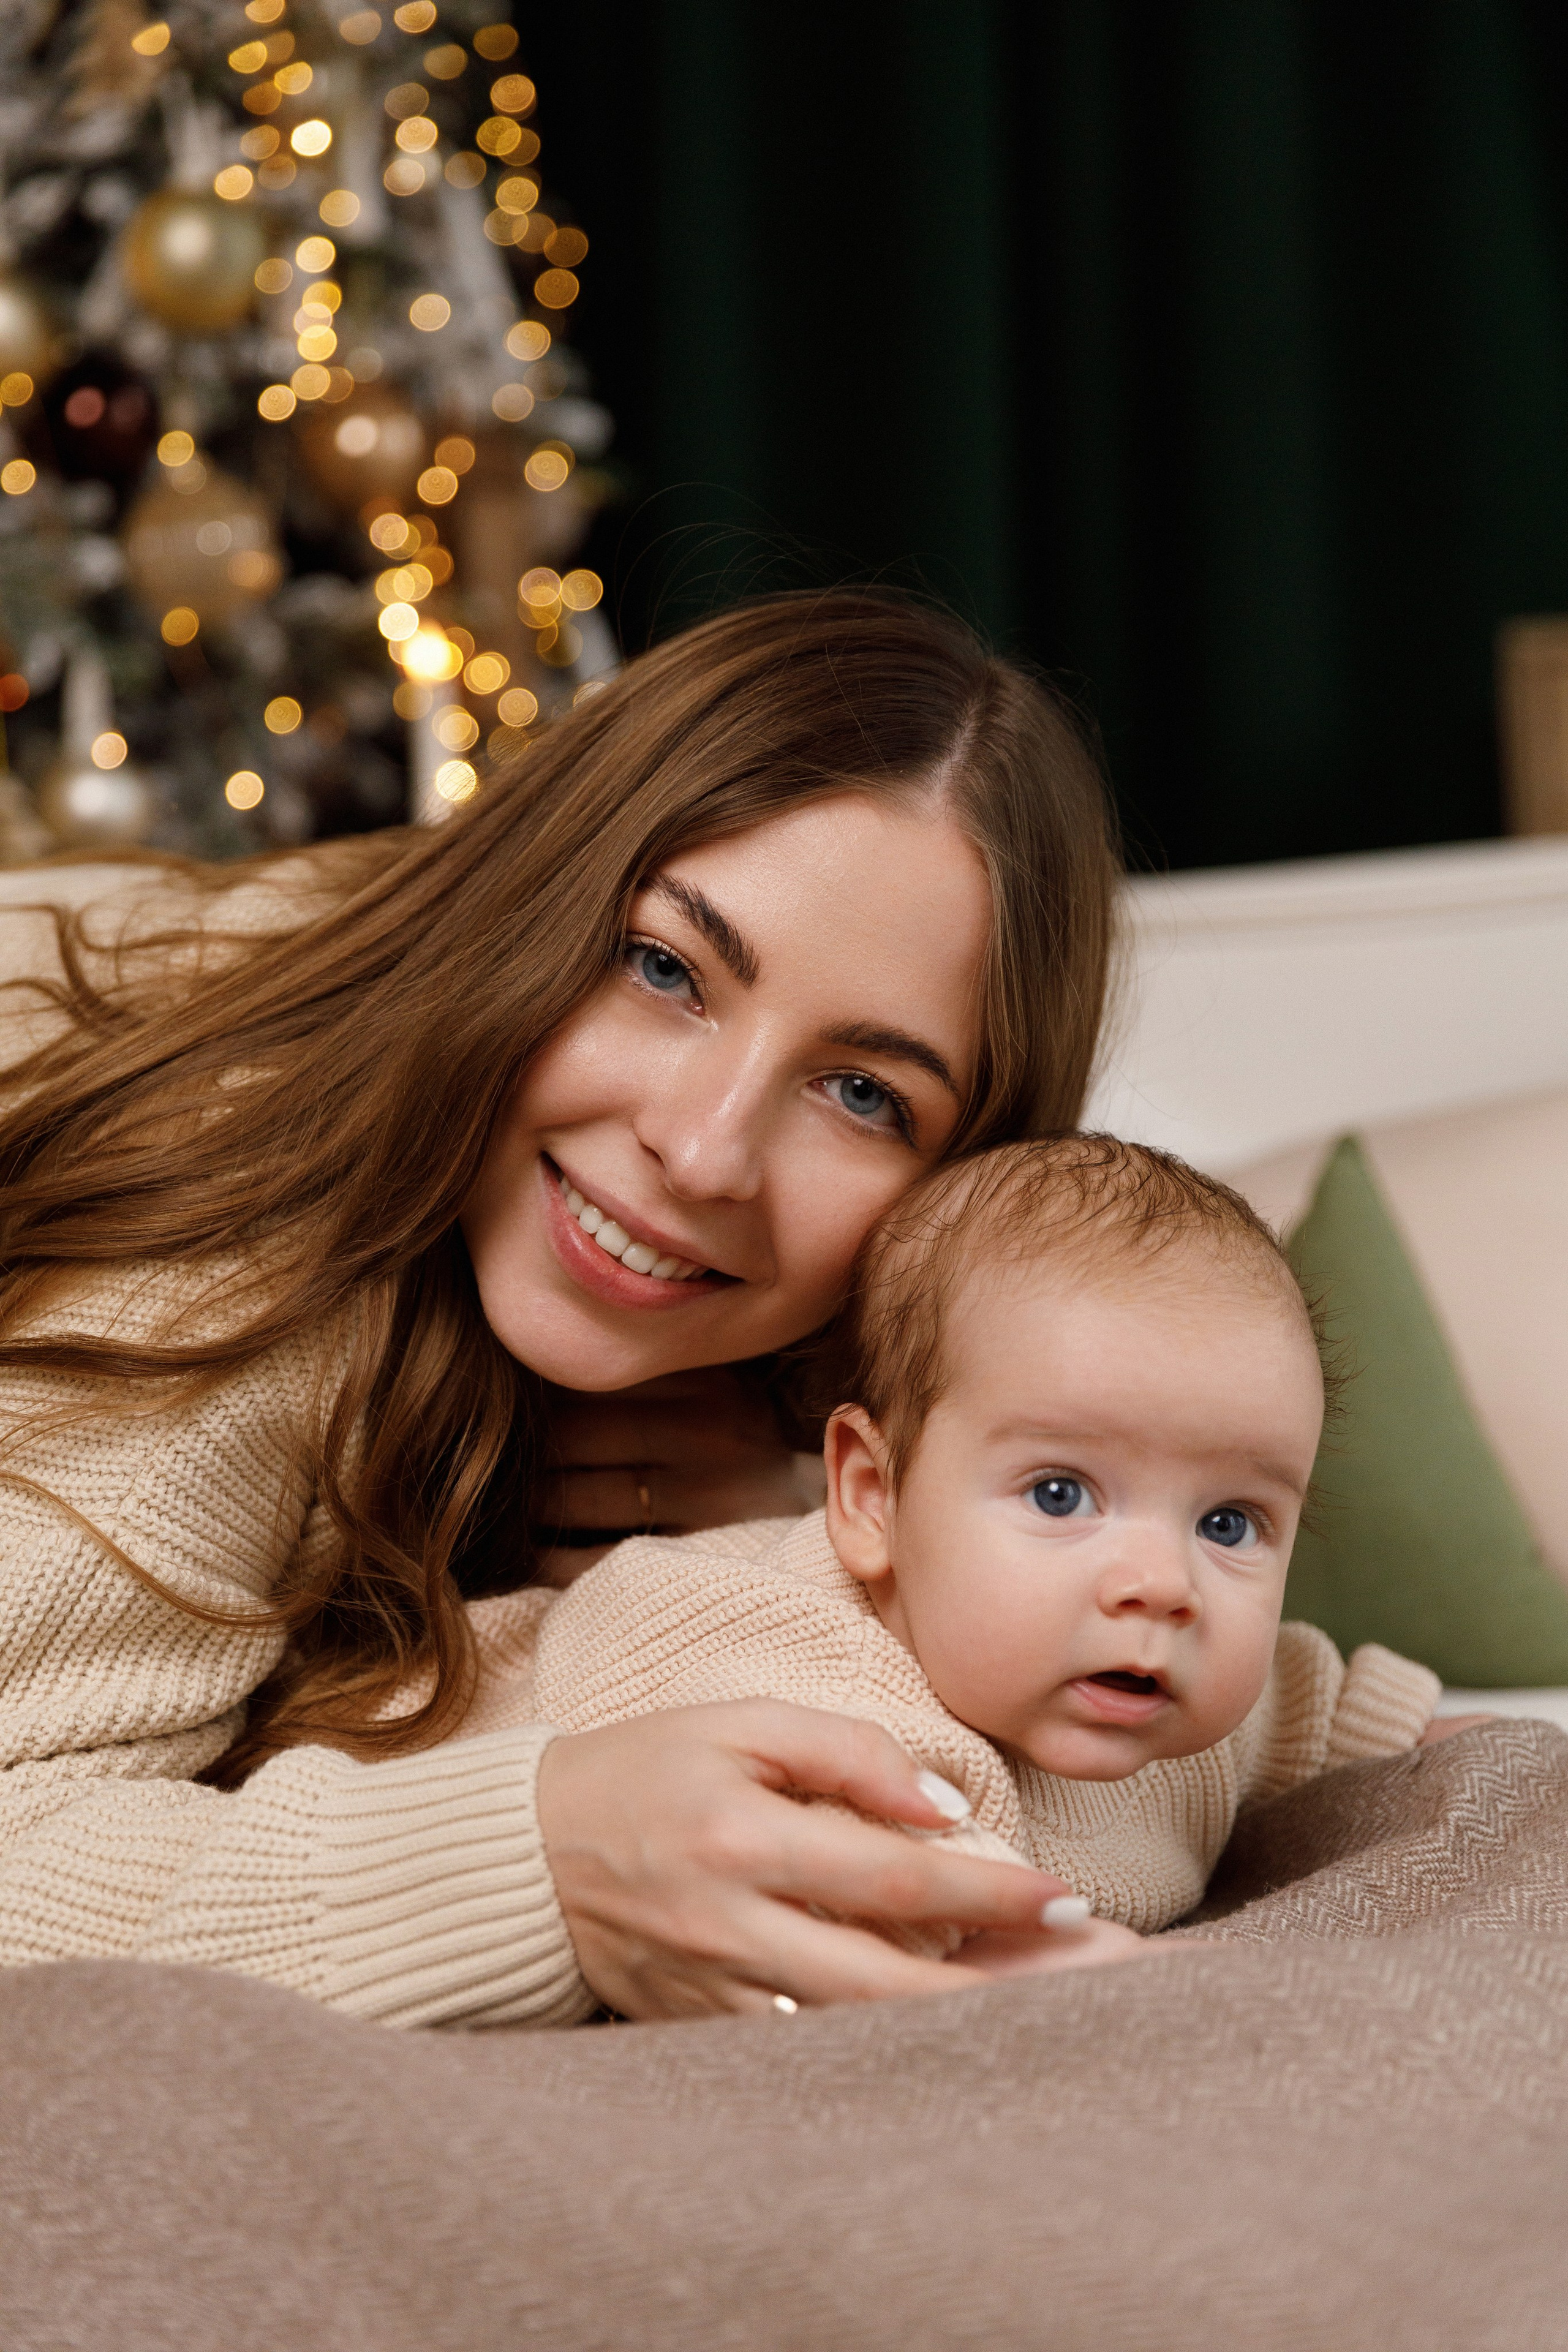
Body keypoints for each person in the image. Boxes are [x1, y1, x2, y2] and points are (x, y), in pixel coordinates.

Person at [0, 589, 1120, 2026]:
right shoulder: (240, 1249)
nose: (702, 1151)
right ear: (533, 904)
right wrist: (547, 1857)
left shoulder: (783, 1385)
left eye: (861, 1095)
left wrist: (820, 1517)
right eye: (664, 968)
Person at [432, 1135, 1470, 1982]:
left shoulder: (1182, 1703)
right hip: (398, 1790)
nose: (1164, 1585)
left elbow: (1319, 1707)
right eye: (1062, 1495)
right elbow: (890, 1892)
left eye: (1229, 1524)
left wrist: (1456, 1740)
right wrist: (1063, 1963)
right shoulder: (797, 1663)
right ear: (872, 1499)